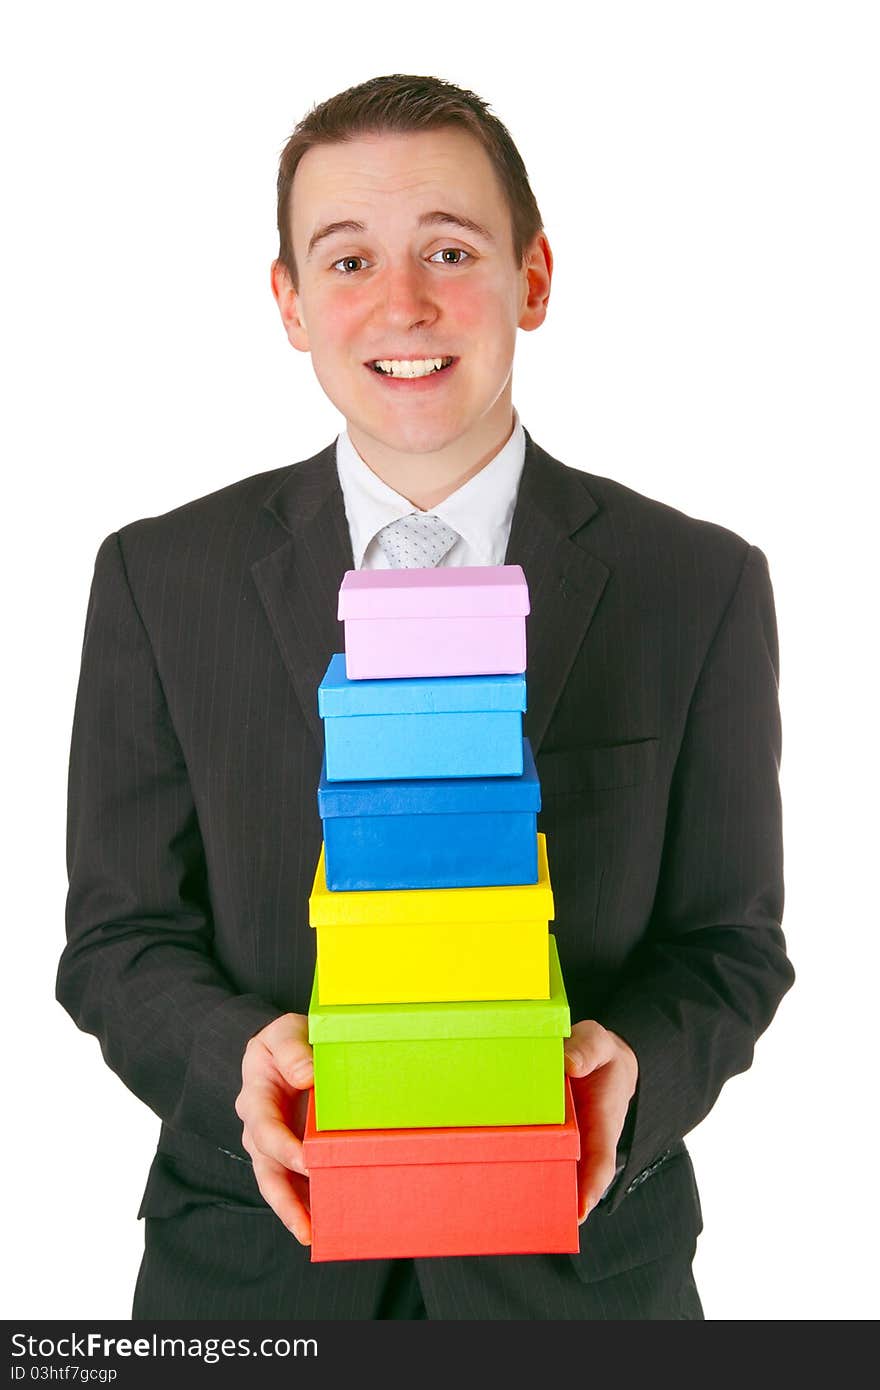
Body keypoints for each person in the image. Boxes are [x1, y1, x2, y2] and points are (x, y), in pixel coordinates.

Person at [58, 73, 794, 1321]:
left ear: (534, 278)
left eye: (449, 249)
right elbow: (119, 938)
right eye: (346, 261)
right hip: (248, 1278)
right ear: (289, 303)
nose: (402, 303)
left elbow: (728, 946)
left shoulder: (698, 584)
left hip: (580, 1277)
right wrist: (237, 1058)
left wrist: (634, 1069)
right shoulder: (156, 577)